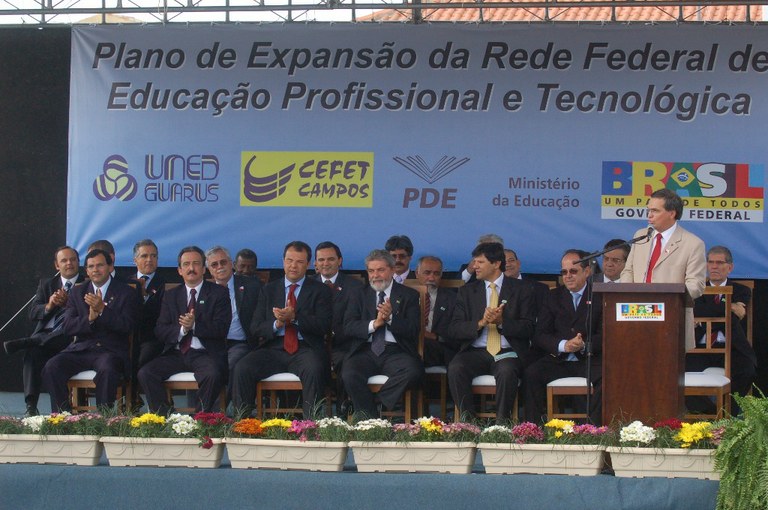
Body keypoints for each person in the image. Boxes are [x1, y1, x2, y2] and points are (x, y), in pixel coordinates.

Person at [232, 241, 332, 418]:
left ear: (308, 264)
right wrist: (277, 323)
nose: (293, 266)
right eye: (289, 260)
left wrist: (294, 318)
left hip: (305, 348)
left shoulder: (320, 290)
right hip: (274, 348)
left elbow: (323, 325)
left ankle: (311, 426)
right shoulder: (268, 290)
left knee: (314, 369)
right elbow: (255, 327)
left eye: (300, 262)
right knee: (242, 368)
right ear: (283, 261)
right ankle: (243, 425)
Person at [446, 242, 535, 423]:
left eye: (480, 262)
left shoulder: (522, 289)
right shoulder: (467, 292)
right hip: (476, 351)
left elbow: (529, 328)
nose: (474, 266)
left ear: (496, 264)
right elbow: (454, 328)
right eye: (474, 262)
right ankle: (468, 424)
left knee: (507, 371)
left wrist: (502, 322)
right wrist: (480, 323)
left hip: (507, 351)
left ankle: (501, 426)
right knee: (456, 368)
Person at [41, 248, 138, 412]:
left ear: (110, 266)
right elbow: (68, 326)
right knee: (52, 366)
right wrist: (90, 318)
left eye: (100, 265)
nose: (95, 270)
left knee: (107, 370)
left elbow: (127, 325)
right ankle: (63, 417)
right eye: (91, 266)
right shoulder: (78, 292)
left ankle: (103, 419)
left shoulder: (126, 292)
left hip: (110, 351)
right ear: (86, 270)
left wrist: (103, 311)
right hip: (82, 349)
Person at [137, 246, 231, 415]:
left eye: (196, 264)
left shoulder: (219, 293)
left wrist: (195, 325)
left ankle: (199, 421)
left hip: (205, 353)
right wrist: (183, 328)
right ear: (179, 270)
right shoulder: (171, 295)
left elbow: (221, 328)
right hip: (177, 352)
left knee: (212, 374)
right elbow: (161, 330)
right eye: (186, 264)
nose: (191, 268)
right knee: (146, 373)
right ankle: (165, 418)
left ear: (204, 269)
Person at [523, 249, 603, 424]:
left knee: (608, 377)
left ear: (587, 272)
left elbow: (606, 335)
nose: (568, 276)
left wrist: (584, 345)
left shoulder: (600, 295)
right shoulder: (552, 296)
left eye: (573, 271)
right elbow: (540, 334)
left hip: (588, 360)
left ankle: (595, 431)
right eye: (564, 272)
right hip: (559, 359)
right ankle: (532, 429)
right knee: (531, 373)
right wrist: (563, 345)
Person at [620, 188, 706, 349]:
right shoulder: (641, 235)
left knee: (666, 371)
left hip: (671, 318)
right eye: (648, 210)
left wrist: (668, 297)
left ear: (672, 213)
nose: (649, 215)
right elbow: (628, 271)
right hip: (635, 313)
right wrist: (627, 293)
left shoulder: (693, 243)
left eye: (654, 211)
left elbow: (696, 285)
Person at [342, 249, 423, 419]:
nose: (375, 275)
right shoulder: (358, 294)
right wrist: (375, 324)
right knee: (349, 373)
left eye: (380, 270)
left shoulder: (409, 295)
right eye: (371, 271)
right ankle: (370, 419)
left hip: (396, 351)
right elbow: (348, 327)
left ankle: (372, 405)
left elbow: (413, 329)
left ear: (392, 270)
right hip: (365, 350)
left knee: (413, 371)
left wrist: (391, 318)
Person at [3, 246, 84, 416]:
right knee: (32, 353)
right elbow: (33, 313)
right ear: (56, 265)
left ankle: (29, 341)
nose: (69, 263)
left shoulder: (87, 283)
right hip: (45, 336)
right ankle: (31, 407)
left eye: (73, 259)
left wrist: (69, 302)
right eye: (64, 260)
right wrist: (50, 305)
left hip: (69, 336)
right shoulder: (47, 284)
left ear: (78, 262)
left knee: (37, 342)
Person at [688, 246, 757, 411]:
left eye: (719, 263)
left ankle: (727, 414)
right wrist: (728, 308)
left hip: (731, 346)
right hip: (700, 347)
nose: (714, 266)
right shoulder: (696, 290)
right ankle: (710, 416)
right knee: (676, 376)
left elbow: (735, 316)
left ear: (730, 267)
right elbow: (729, 315)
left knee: (748, 370)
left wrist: (702, 317)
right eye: (710, 262)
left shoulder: (741, 290)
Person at [314, 241, 364, 415]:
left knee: (347, 366)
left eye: (330, 259)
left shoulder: (355, 287)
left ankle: (344, 414)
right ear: (315, 263)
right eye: (321, 260)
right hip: (315, 345)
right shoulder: (307, 286)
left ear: (340, 261)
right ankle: (308, 416)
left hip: (344, 344)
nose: (325, 264)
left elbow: (356, 321)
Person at [205, 246, 262, 395]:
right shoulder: (204, 291)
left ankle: (214, 414)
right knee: (200, 367)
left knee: (227, 366)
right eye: (214, 265)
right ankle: (198, 413)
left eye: (223, 262)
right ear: (209, 270)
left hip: (239, 343)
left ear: (232, 264)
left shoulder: (252, 286)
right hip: (212, 344)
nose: (220, 267)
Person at [414, 255, 457, 367]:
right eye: (427, 273)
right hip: (410, 343)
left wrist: (435, 336)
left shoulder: (453, 299)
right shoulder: (405, 296)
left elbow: (457, 330)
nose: (431, 278)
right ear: (417, 273)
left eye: (436, 274)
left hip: (438, 346)